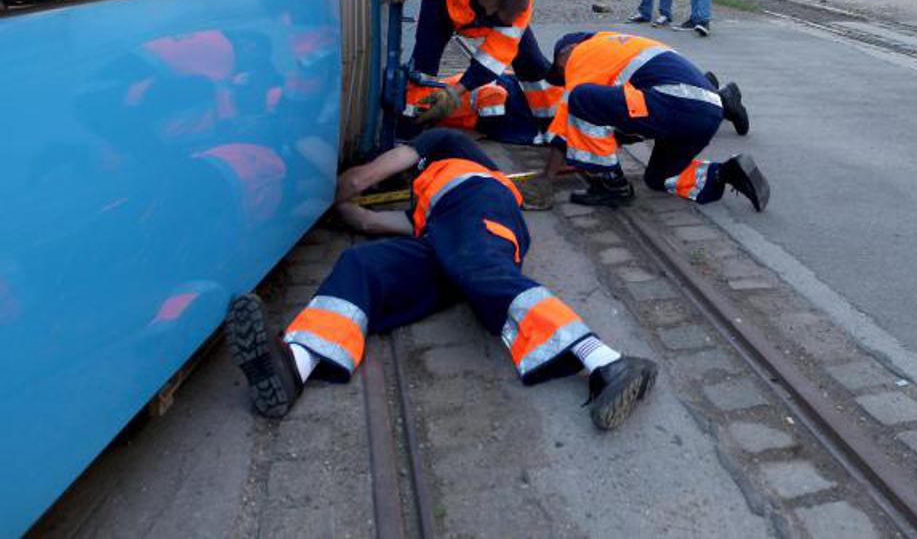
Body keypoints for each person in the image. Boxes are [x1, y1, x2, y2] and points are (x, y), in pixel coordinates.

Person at [225, 130, 658, 430]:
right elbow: (370, 222)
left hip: (478, 209)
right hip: (442, 237)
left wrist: (321, 192)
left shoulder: (445, 144)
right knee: (362, 264)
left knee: (481, 269)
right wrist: (339, 212)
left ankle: (609, 362)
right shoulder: (424, 200)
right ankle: (296, 365)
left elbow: (361, 179)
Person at [538, 31, 765, 211]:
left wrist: (546, 178)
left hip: (675, 104)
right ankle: (724, 172)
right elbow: (614, 120)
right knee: (659, 179)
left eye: (559, 68)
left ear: (568, 50)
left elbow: (568, 117)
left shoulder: (582, 53)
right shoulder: (618, 45)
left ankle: (613, 186)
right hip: (706, 112)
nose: (564, 75)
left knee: (580, 98)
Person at [384, 0, 550, 121]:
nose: (491, 19)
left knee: (533, 64)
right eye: (492, 14)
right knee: (425, 61)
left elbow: (494, 57)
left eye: (499, 20)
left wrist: (456, 92)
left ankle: (548, 119)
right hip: (444, 0)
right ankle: (411, 115)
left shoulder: (519, 4)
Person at [403, 70, 563, 146]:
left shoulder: (441, 97)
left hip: (518, 99)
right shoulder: (440, 95)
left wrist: (484, 129)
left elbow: (495, 93)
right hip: (518, 98)